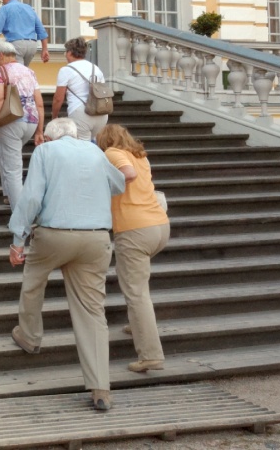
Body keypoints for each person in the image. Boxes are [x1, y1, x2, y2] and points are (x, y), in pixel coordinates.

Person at [8, 117, 125, 411]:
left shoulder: (45, 152)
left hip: (54, 234)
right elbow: (119, 183)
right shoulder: (95, 152)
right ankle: (100, 388)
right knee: (92, 311)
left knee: (34, 281)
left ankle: (30, 336)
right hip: (97, 238)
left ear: (48, 138)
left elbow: (32, 196)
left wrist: (17, 240)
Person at [97, 124, 170, 373]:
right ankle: (139, 323)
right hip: (159, 226)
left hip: (134, 229)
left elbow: (127, 175)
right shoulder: (140, 155)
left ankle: (151, 355)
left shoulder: (112, 153)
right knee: (139, 284)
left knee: (136, 292)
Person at [0, 41, 44, 209]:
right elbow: (40, 103)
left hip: (11, 120)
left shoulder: (0, 70)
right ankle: (8, 194)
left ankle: (19, 216)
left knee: (13, 170)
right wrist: (40, 131)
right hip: (32, 121)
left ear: (1, 56)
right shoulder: (30, 71)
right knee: (2, 152)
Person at [53, 37, 109, 142]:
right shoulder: (96, 68)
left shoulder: (66, 70)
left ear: (69, 52)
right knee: (95, 146)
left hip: (80, 112)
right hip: (101, 112)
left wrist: (54, 115)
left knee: (82, 148)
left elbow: (58, 98)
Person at [0, 0, 50, 66]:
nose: (3, 2)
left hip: (16, 44)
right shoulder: (29, 8)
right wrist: (45, 49)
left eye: (2, 0)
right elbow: (41, 30)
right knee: (24, 72)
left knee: (17, 73)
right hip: (32, 45)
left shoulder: (4, 9)